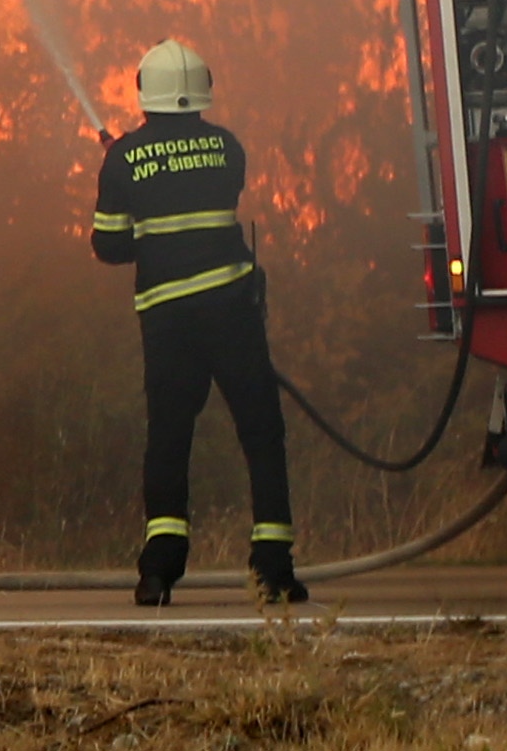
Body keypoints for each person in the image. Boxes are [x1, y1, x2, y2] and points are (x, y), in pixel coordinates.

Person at [93, 40, 302, 607]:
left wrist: (122, 172)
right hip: (232, 311)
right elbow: (202, 196)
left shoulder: (122, 159)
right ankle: (274, 568)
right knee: (261, 432)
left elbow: (109, 247)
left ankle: (158, 571)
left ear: (144, 91)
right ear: (203, 88)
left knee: (169, 437)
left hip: (168, 321)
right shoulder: (228, 148)